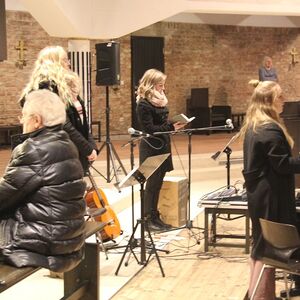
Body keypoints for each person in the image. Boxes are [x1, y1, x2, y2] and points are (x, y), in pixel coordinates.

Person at [0, 89, 86, 272]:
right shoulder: (67, 143)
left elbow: (4, 198)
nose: (21, 120)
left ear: (37, 120)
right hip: (69, 236)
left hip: (46, 240)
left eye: (24, 116)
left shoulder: (34, 149)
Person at [239, 80, 300, 299]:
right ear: (269, 101)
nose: (283, 100)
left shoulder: (255, 125)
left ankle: (257, 294)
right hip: (270, 198)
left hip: (259, 196)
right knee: (268, 249)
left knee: (261, 247)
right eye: (280, 96)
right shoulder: (270, 128)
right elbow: (282, 165)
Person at [19, 45, 98, 174]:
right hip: (58, 154)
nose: (69, 63)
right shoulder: (45, 88)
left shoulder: (67, 88)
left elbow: (81, 121)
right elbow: (63, 124)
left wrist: (91, 146)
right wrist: (87, 149)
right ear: (54, 63)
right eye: (65, 60)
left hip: (74, 150)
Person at [136, 69, 185, 231]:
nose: (163, 89)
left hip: (163, 144)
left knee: (158, 184)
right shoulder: (143, 104)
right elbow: (150, 128)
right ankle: (147, 220)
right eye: (160, 85)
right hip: (151, 147)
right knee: (151, 185)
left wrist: (174, 124)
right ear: (151, 85)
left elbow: (161, 124)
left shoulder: (161, 100)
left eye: (163, 85)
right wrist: (171, 126)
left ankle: (155, 217)